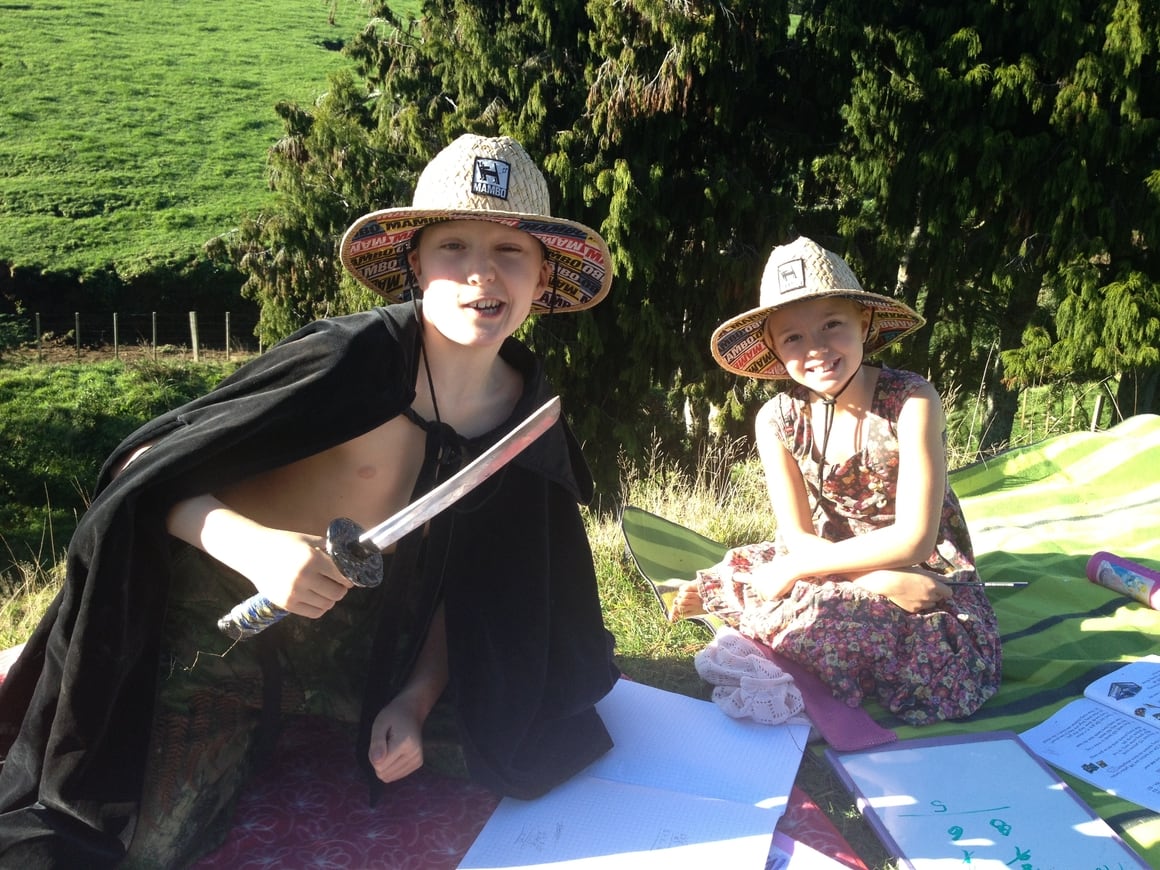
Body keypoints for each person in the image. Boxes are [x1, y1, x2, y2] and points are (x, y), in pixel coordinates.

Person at [0, 134, 621, 868]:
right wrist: (257, 548)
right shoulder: (348, 360)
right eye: (453, 246)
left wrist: (417, 699)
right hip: (213, 634)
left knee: (526, 737)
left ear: (543, 274)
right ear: (415, 263)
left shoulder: (522, 415)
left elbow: (479, 586)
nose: (481, 273)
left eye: (510, 251)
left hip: (363, 646)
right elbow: (142, 469)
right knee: (126, 842)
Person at [672, 236, 1001, 725]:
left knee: (900, 635)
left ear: (863, 324)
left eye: (832, 325)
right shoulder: (776, 419)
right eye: (794, 338)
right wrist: (873, 579)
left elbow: (915, 539)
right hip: (833, 557)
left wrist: (817, 572)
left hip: (923, 565)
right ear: (774, 349)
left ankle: (748, 609)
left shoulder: (911, 401)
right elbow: (799, 536)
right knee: (775, 580)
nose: (817, 350)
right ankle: (763, 600)